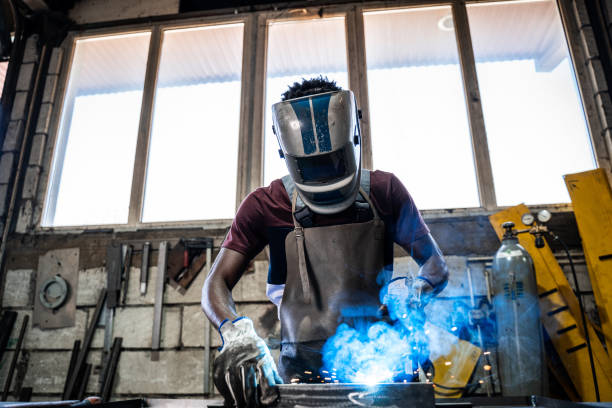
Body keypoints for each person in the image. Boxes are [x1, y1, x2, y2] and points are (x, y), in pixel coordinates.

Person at [202, 77, 448, 407]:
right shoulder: (265, 204)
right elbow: (215, 283)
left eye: (332, 161)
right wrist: (236, 333)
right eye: (312, 166)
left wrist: (418, 290)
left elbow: (436, 265)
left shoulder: (385, 192)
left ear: (352, 137)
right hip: (300, 369)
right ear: (286, 151)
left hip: (375, 359)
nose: (324, 174)